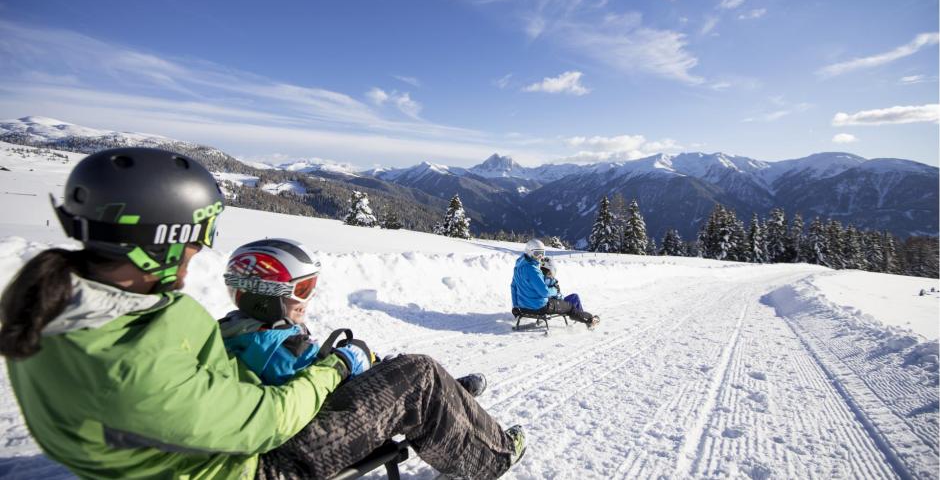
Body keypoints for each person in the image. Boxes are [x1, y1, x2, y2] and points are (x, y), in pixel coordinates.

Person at [0, 147, 525, 480]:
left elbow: (206, 383)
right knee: (417, 374)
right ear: (161, 239)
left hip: (195, 443)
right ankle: (495, 455)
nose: (200, 248)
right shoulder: (128, 366)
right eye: (198, 233)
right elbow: (265, 423)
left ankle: (430, 403)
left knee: (383, 381)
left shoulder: (48, 311)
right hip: (256, 465)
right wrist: (336, 368)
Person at [219, 237, 487, 396]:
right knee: (410, 370)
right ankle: (439, 395)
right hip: (334, 418)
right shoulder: (273, 349)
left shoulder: (241, 331)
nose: (308, 298)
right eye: (302, 289)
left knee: (383, 362)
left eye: (311, 287)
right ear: (265, 294)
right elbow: (313, 388)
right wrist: (350, 361)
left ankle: (441, 389)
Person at [511, 239, 599, 328]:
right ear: (529, 252)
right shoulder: (533, 270)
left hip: (523, 307)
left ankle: (585, 319)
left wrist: (515, 305)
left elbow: (513, 286)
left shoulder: (518, 267)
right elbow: (544, 292)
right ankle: (590, 320)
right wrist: (555, 290)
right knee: (570, 307)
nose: (540, 257)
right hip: (540, 307)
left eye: (542, 253)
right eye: (537, 253)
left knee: (565, 302)